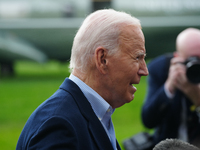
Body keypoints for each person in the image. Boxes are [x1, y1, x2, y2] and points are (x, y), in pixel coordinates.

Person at [16, 9, 148, 150]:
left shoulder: (93, 114)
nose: (144, 71)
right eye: (137, 57)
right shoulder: (60, 127)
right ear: (102, 59)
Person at [142, 28, 200, 148]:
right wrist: (169, 87)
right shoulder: (162, 69)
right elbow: (148, 120)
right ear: (177, 57)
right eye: (192, 60)